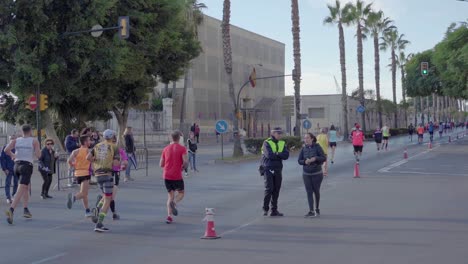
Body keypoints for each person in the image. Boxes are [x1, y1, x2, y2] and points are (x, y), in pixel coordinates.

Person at [4, 125, 41, 225]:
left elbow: (6, 150)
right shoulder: (34, 141)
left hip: (16, 166)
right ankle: (11, 210)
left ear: (22, 131)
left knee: (25, 187)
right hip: (26, 166)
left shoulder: (16, 140)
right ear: (30, 131)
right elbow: (38, 155)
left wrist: (13, 155)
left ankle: (25, 209)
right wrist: (37, 152)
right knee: (22, 188)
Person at [86, 129, 120, 232]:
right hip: (107, 173)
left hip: (98, 174)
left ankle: (96, 209)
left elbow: (88, 157)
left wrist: (96, 160)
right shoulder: (114, 146)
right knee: (108, 199)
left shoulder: (97, 146)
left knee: (105, 195)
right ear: (112, 137)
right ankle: (99, 223)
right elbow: (115, 163)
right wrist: (119, 163)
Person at [160, 131, 188, 224]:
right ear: (179, 138)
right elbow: (185, 161)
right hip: (177, 175)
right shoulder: (182, 148)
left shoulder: (165, 149)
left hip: (166, 175)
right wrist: (183, 167)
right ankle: (174, 202)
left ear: (171, 138)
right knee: (181, 193)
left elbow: (161, 164)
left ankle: (169, 217)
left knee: (170, 196)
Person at [261, 127, 290, 217]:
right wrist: (279, 154)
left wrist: (276, 154)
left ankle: (274, 210)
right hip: (268, 168)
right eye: (278, 133)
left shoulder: (282, 143)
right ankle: (265, 209)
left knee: (276, 189)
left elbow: (286, 155)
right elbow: (269, 155)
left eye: (281, 133)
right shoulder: (266, 142)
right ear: (273, 133)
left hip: (278, 168)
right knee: (269, 189)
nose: (280, 135)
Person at [298, 133, 326, 218]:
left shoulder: (317, 147)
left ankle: (317, 208)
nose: (305, 140)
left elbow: (324, 158)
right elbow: (299, 160)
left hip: (317, 173)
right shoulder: (303, 149)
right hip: (306, 174)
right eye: (304, 138)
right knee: (309, 191)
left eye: (307, 138)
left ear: (312, 139)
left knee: (316, 191)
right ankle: (311, 210)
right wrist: (304, 162)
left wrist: (315, 158)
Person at [67, 135, 93, 218]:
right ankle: (73, 198)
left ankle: (87, 210)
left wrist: (74, 165)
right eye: (89, 140)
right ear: (85, 142)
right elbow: (92, 161)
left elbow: (69, 161)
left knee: (84, 194)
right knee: (84, 193)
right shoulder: (88, 151)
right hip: (85, 173)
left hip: (77, 174)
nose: (90, 142)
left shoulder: (75, 151)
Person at [1, 135, 18, 204]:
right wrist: (4, 168)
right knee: (8, 183)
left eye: (13, 139)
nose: (12, 140)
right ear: (9, 139)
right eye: (11, 139)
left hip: (17, 168)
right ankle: (8, 197)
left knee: (16, 183)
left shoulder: (18, 147)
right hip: (9, 168)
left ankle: (14, 195)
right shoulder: (5, 147)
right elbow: (2, 159)